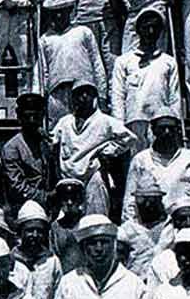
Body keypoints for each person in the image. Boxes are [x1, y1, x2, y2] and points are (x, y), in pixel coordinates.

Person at [52, 79, 135, 217]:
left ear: (94, 97)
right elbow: (52, 140)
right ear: (73, 98)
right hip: (68, 177)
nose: (84, 97)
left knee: (96, 218)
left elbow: (129, 139)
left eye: (88, 93)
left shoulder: (105, 121)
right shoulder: (65, 122)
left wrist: (108, 150)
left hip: (93, 175)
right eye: (79, 93)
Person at [110, 7, 181, 150]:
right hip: (133, 121)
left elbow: (174, 97)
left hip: (161, 123)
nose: (150, 31)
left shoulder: (168, 61)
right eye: (146, 27)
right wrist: (119, 126)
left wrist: (174, 123)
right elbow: (118, 96)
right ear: (138, 30)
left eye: (155, 28)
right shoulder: (124, 61)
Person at [122, 112, 190, 228]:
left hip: (184, 224)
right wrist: (131, 229)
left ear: (178, 130)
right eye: (162, 128)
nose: (167, 132)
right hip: (151, 226)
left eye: (171, 128)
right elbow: (130, 199)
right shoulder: (140, 159)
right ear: (153, 130)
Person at [39, 0, 107, 128]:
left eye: (62, 11)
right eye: (55, 12)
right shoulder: (45, 39)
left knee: (88, 127)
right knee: (58, 129)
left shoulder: (83, 32)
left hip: (84, 90)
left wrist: (102, 93)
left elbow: (97, 63)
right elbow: (41, 71)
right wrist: (41, 98)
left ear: (69, 10)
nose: (59, 16)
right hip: (57, 93)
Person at [0, 92, 51, 214]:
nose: (32, 121)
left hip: (47, 206)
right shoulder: (11, 148)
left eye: (36, 116)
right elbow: (17, 187)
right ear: (19, 117)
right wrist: (47, 197)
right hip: (22, 208)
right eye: (27, 116)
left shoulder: (45, 142)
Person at [119, 172, 173, 279]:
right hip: (137, 281)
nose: (148, 205)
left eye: (152, 201)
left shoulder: (171, 227)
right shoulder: (126, 229)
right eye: (143, 201)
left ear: (160, 201)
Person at [12, 200, 62, 299]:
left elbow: (59, 297)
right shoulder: (10, 262)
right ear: (20, 232)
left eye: (39, 231)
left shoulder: (52, 262)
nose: (35, 235)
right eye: (30, 230)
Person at [51, 177, 88, 275]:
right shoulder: (55, 227)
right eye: (65, 199)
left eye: (73, 198)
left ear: (80, 200)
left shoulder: (87, 223)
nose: (69, 203)